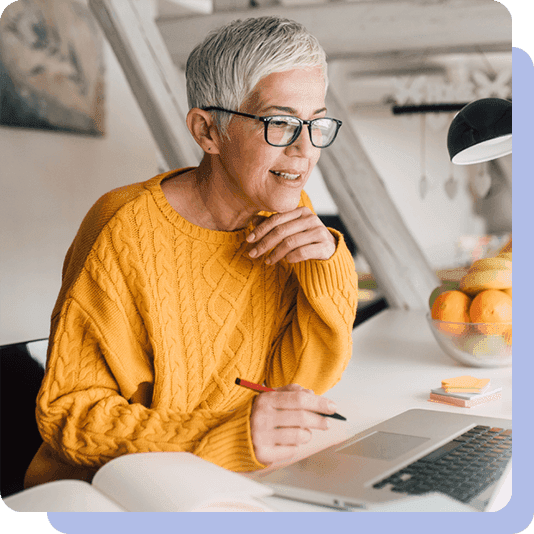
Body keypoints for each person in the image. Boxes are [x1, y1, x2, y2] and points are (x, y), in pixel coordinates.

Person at [24, 16, 358, 488]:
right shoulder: (123, 227)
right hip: (102, 490)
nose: (305, 149)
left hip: (223, 479)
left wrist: (328, 266)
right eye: (280, 123)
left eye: (316, 122)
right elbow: (71, 416)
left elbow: (301, 383)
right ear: (207, 132)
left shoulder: (283, 214)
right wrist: (225, 436)